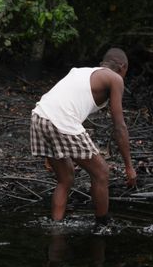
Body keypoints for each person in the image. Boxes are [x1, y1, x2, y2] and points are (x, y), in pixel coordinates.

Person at [30, 48, 136, 224]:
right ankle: (102, 226)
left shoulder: (79, 72)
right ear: (123, 67)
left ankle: (56, 227)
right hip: (60, 120)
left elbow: (64, 102)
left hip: (39, 117)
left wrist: (52, 147)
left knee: (65, 179)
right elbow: (119, 126)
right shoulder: (115, 78)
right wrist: (129, 167)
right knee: (101, 172)